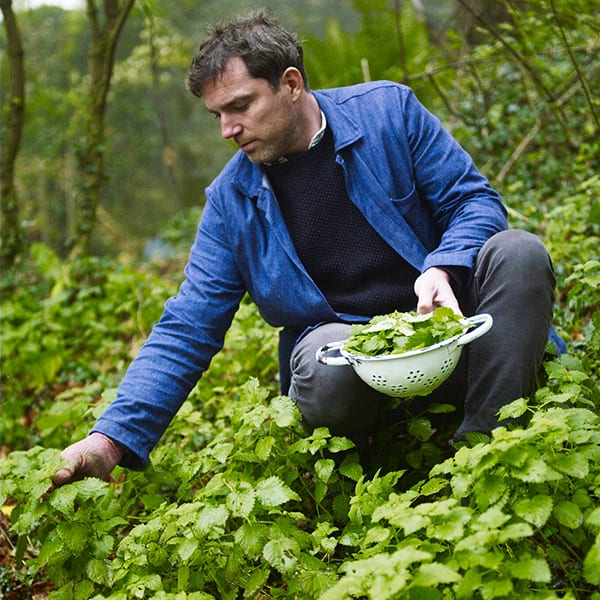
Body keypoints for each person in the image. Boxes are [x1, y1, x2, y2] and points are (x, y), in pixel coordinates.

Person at [53, 8, 561, 485]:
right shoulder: (231, 201)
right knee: (321, 353)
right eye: (218, 116)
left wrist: (444, 267)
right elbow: (188, 324)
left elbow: (473, 201)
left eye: (240, 106)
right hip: (351, 375)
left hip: (450, 339)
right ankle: (368, 471)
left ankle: (487, 446)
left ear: (291, 83)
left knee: (518, 252)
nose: (229, 130)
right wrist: (110, 440)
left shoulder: (388, 112)